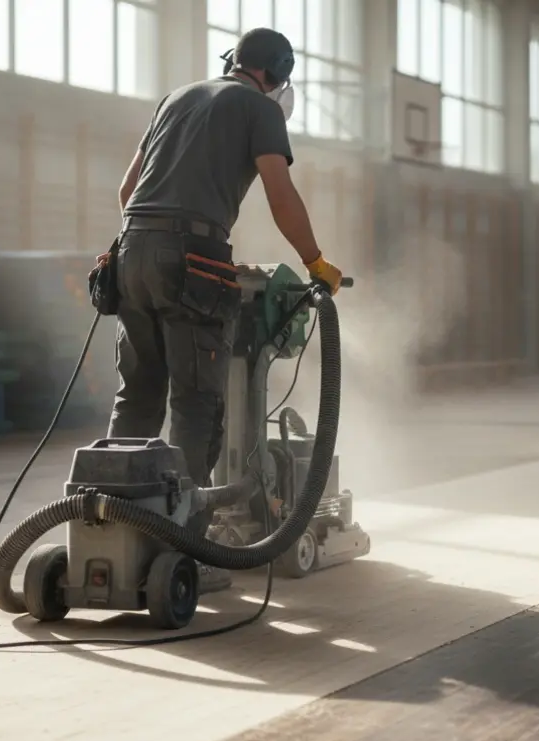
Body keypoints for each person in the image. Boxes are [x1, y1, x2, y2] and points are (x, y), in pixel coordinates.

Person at [107, 28, 343, 592]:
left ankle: (117, 525)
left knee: (137, 395)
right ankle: (183, 545)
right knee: (197, 403)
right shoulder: (260, 108)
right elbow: (279, 192)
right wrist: (315, 261)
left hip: (129, 252)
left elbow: (126, 191)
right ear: (278, 72)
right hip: (192, 257)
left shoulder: (177, 97)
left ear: (233, 61)